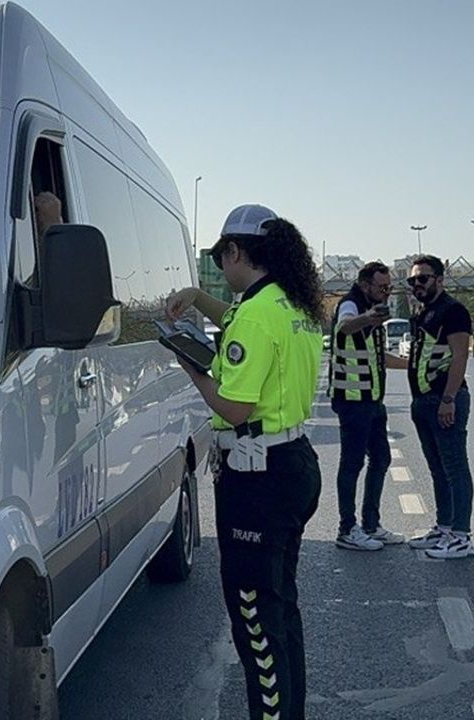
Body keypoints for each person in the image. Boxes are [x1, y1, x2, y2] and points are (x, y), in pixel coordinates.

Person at [166, 204, 324, 720]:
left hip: (257, 478)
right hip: (292, 463)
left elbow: (233, 406)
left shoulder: (256, 314)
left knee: (254, 617)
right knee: (281, 608)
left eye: (220, 258)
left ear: (236, 252)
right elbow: (233, 321)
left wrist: (189, 361)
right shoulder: (289, 304)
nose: (221, 268)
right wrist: (195, 299)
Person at [329, 261, 410, 551]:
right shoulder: (351, 305)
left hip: (372, 401)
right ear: (365, 286)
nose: (387, 293)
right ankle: (347, 529)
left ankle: (371, 525)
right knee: (351, 464)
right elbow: (344, 326)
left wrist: (411, 366)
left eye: (390, 287)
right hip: (352, 402)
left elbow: (378, 357)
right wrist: (369, 317)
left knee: (381, 459)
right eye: (382, 287)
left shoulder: (374, 318)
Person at [404, 255, 474, 559]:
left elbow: (460, 356)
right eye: (413, 280)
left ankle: (461, 536)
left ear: (439, 279)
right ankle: (444, 527)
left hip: (445, 400)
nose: (417, 284)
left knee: (455, 467)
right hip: (423, 400)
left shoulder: (453, 310)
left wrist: (448, 399)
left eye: (423, 278)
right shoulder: (423, 312)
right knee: (437, 469)